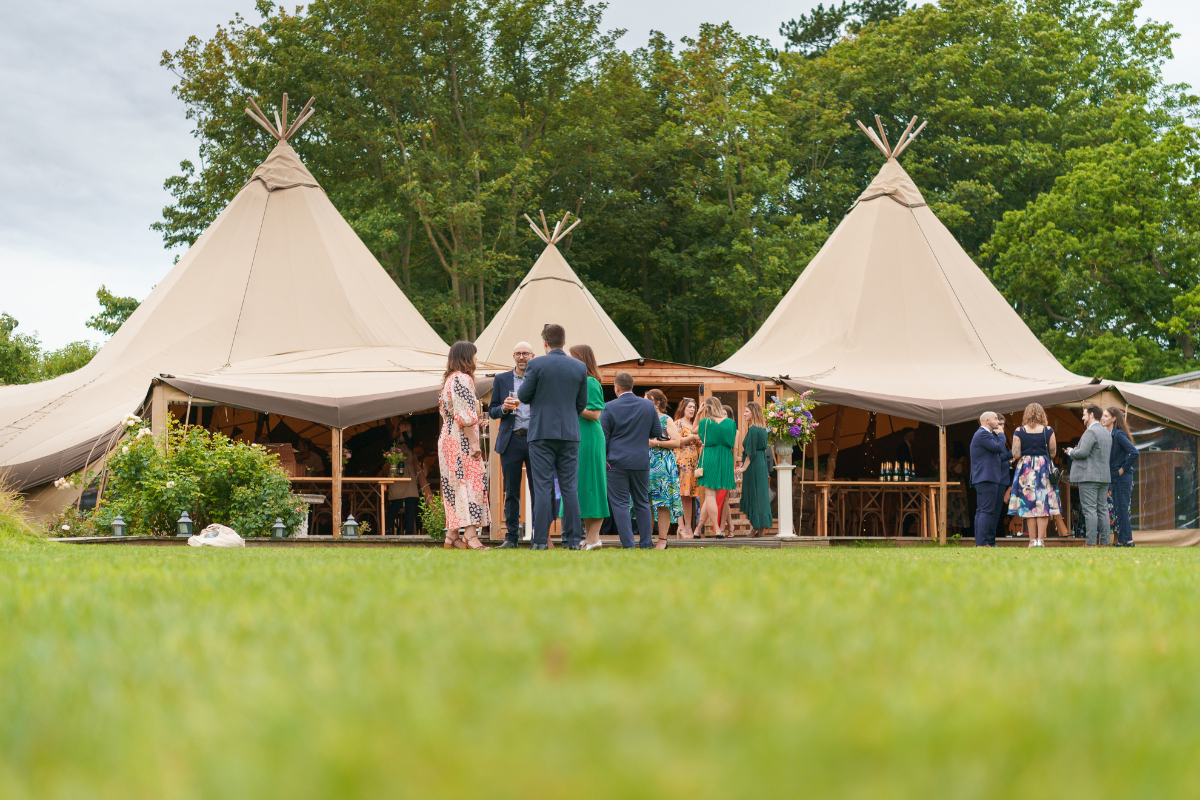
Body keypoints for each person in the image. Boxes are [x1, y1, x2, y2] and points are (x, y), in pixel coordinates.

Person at [517, 324, 588, 550]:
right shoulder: (579, 366)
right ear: (564, 342)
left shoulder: (536, 364)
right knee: (569, 487)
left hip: (541, 434)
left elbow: (523, 395)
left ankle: (539, 542)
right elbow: (581, 403)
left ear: (545, 343)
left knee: (543, 487)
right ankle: (574, 541)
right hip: (569, 434)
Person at [437, 341, 490, 550]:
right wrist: (475, 443)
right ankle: (470, 535)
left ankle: (452, 535)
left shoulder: (450, 380)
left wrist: (474, 419)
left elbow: (455, 412)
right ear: (468, 357)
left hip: (449, 438)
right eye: (475, 355)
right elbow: (463, 416)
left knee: (456, 485)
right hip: (460, 442)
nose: (477, 359)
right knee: (472, 483)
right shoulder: (463, 379)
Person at [601, 373, 662, 548]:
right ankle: (646, 542)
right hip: (640, 460)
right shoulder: (648, 405)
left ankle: (628, 544)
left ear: (616, 387)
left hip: (616, 462)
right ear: (632, 387)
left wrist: (605, 460)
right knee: (642, 501)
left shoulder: (609, 407)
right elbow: (657, 432)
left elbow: (604, 437)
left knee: (620, 504)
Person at [488, 341, 536, 549]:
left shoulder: (539, 379)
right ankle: (511, 537)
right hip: (511, 440)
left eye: (525, 353)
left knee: (539, 490)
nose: (521, 357)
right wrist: (504, 409)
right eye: (517, 353)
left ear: (532, 356)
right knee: (511, 490)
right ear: (513, 356)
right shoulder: (501, 379)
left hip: (536, 440)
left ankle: (540, 535)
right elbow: (492, 410)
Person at [569, 344, 609, 550]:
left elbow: (595, 414)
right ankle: (590, 537)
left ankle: (594, 538)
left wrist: (571, 404)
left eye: (572, 358)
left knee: (594, 485)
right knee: (583, 487)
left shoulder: (591, 382)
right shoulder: (579, 382)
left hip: (591, 438)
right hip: (579, 437)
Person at [1007, 403, 1060, 547]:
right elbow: (1053, 452)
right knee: (1042, 504)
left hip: (1026, 468)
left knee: (1029, 505)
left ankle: (1031, 541)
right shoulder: (1048, 430)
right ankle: (1041, 541)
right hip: (1043, 467)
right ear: (1042, 414)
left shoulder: (1019, 430)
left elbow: (1016, 454)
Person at [1067, 404, 1112, 547]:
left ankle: (1091, 543)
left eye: (1084, 414)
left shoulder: (1090, 432)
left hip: (1089, 477)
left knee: (1090, 510)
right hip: (1104, 477)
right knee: (1103, 509)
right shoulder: (1106, 432)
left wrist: (1070, 452)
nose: (1082, 417)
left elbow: (1082, 453)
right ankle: (1105, 543)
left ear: (1091, 415)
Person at [644, 389, 684, 549]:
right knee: (645, 502)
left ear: (657, 402)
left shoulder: (666, 420)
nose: (644, 402)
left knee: (662, 503)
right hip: (645, 464)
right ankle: (646, 539)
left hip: (663, 466)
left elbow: (677, 442)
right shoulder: (642, 418)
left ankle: (662, 540)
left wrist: (657, 443)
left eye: (648, 399)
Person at [694, 398, 736, 538]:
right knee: (712, 496)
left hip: (710, 457)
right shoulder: (730, 423)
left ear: (707, 408)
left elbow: (693, 431)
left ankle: (716, 529)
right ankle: (698, 528)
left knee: (710, 496)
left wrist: (699, 413)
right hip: (725, 458)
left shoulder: (705, 422)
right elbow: (733, 445)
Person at [970, 411, 1008, 547]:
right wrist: (1002, 435)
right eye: (995, 419)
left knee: (981, 511)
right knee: (986, 511)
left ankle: (981, 542)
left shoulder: (981, 434)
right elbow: (998, 448)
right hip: (986, 477)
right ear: (987, 421)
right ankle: (982, 543)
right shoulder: (983, 434)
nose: (998, 422)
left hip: (982, 477)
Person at [1103, 406, 1139, 547]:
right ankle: (1126, 540)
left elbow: (1134, 452)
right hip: (1115, 477)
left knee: (1122, 509)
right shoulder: (1109, 434)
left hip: (1123, 477)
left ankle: (1127, 540)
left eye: (1106, 416)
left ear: (1114, 418)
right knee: (1120, 509)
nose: (1103, 418)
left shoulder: (1118, 434)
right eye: (1103, 416)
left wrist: (1122, 469)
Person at [736, 401, 772, 536]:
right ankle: (761, 527)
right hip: (761, 464)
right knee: (761, 494)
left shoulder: (753, 430)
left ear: (753, 412)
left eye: (746, 411)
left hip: (754, 464)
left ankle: (754, 526)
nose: (744, 414)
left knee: (753, 494)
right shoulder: (762, 429)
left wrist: (743, 467)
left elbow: (750, 452)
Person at [382, 419, 423, 536]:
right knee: (396, 503)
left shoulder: (411, 440)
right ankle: (387, 527)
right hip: (396, 474)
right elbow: (387, 451)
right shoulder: (393, 441)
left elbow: (411, 445)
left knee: (410, 502)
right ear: (399, 428)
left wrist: (405, 434)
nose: (407, 430)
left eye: (408, 428)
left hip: (408, 474)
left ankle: (409, 531)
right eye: (404, 427)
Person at [674, 397, 701, 537]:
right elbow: (676, 442)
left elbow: (697, 444)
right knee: (680, 494)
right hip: (681, 462)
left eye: (694, 407)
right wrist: (692, 437)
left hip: (693, 463)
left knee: (689, 496)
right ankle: (680, 527)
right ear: (683, 408)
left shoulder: (694, 425)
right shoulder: (677, 423)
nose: (692, 409)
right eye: (689, 407)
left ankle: (688, 526)